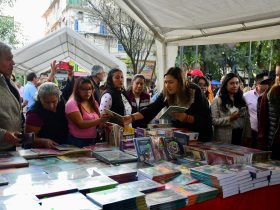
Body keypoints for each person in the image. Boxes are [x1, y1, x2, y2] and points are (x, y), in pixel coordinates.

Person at [124, 67, 212, 142]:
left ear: (180, 82)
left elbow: (206, 119)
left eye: (171, 82)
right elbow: (152, 109)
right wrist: (131, 117)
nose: (167, 85)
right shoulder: (166, 93)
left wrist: (187, 118)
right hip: (181, 137)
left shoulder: (194, 90)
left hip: (201, 138)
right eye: (165, 82)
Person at [65, 77, 108, 147]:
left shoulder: (94, 102)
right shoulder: (71, 104)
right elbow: (80, 124)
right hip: (77, 142)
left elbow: (97, 122)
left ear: (93, 90)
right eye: (83, 89)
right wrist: (100, 120)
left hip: (93, 140)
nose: (87, 92)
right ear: (77, 90)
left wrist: (103, 124)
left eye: (89, 89)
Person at [211, 73, 251, 145]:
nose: (235, 85)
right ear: (225, 85)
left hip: (240, 135)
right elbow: (214, 121)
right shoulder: (217, 100)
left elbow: (247, 119)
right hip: (224, 138)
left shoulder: (242, 99)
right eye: (232, 83)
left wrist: (248, 136)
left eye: (237, 83)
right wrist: (230, 118)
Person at [25, 82, 68, 148]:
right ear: (39, 99)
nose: (51, 106)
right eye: (46, 102)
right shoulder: (34, 114)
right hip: (39, 150)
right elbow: (27, 138)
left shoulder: (62, 105)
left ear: (58, 98)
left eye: (54, 101)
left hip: (62, 147)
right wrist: (42, 141)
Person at [0, 42, 22, 151]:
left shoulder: (8, 82)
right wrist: (3, 135)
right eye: (9, 59)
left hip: (10, 149)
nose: (13, 63)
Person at [258, 65, 280, 160]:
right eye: (277, 75)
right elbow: (263, 124)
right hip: (274, 147)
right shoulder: (269, 95)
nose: (278, 78)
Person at [244, 71, 269, 147]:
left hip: (266, 134)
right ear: (258, 84)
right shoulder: (246, 96)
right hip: (251, 133)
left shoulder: (270, 97)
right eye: (266, 82)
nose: (269, 83)